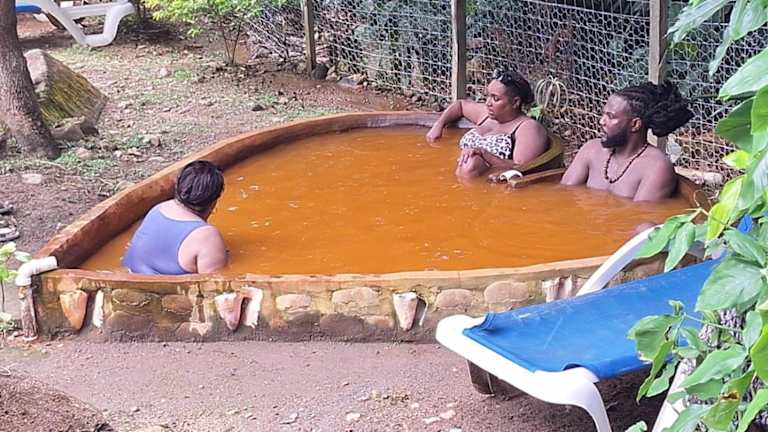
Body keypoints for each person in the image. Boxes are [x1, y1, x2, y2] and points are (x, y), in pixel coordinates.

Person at [561, 81, 694, 202]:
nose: (601, 121)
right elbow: (563, 195)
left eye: (610, 116)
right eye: (603, 114)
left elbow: (639, 216)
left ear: (635, 124)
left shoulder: (655, 167)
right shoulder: (591, 150)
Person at [425, 69, 549, 179]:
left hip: (485, 183)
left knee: (472, 164)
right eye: (488, 96)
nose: (488, 103)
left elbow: (522, 168)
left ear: (515, 102)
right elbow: (460, 105)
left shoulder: (527, 128)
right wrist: (438, 125)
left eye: (495, 99)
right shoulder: (486, 115)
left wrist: (484, 154)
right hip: (453, 173)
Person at [122, 160, 228, 275]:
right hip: (161, 286)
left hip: (127, 276)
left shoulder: (159, 208)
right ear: (214, 202)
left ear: (179, 187)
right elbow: (215, 283)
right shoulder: (207, 236)